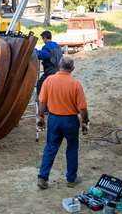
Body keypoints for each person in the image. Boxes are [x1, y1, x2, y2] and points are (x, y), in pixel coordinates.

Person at [36, 56, 90, 190]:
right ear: (72, 69)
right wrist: (85, 121)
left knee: (50, 147)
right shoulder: (76, 83)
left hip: (53, 120)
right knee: (71, 149)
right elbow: (82, 108)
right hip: (70, 121)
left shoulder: (48, 80)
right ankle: (71, 179)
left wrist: (41, 116)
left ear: (59, 66)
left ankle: (43, 178)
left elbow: (42, 101)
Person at [35, 31, 63, 97]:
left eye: (42, 39)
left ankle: (43, 102)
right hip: (59, 70)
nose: (43, 40)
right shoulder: (58, 46)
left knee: (40, 84)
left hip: (51, 71)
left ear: (45, 38)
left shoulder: (47, 47)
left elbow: (43, 55)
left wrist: (34, 50)